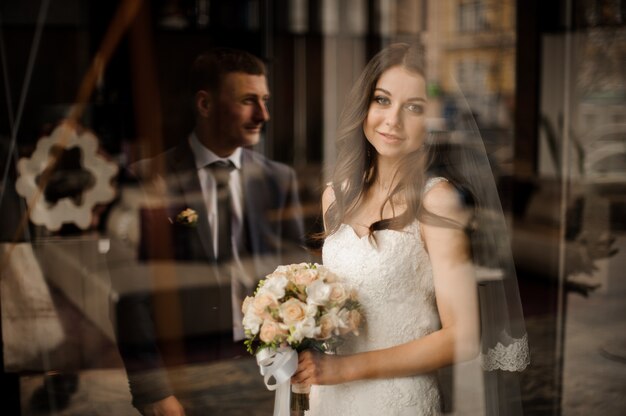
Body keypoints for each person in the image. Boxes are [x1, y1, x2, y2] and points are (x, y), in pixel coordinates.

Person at [292, 43, 529, 415]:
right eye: (382, 100)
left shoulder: (437, 201)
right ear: (364, 106)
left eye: (414, 107)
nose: (392, 121)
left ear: (431, 121)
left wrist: (344, 369)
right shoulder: (334, 196)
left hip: (397, 400)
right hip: (331, 398)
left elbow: (462, 337)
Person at [114, 48, 306, 415]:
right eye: (248, 101)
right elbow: (132, 298)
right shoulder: (147, 177)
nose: (263, 114)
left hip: (267, 373)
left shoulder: (278, 180)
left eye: (264, 100)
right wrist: (154, 392)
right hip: (184, 379)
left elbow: (296, 280)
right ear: (204, 104)